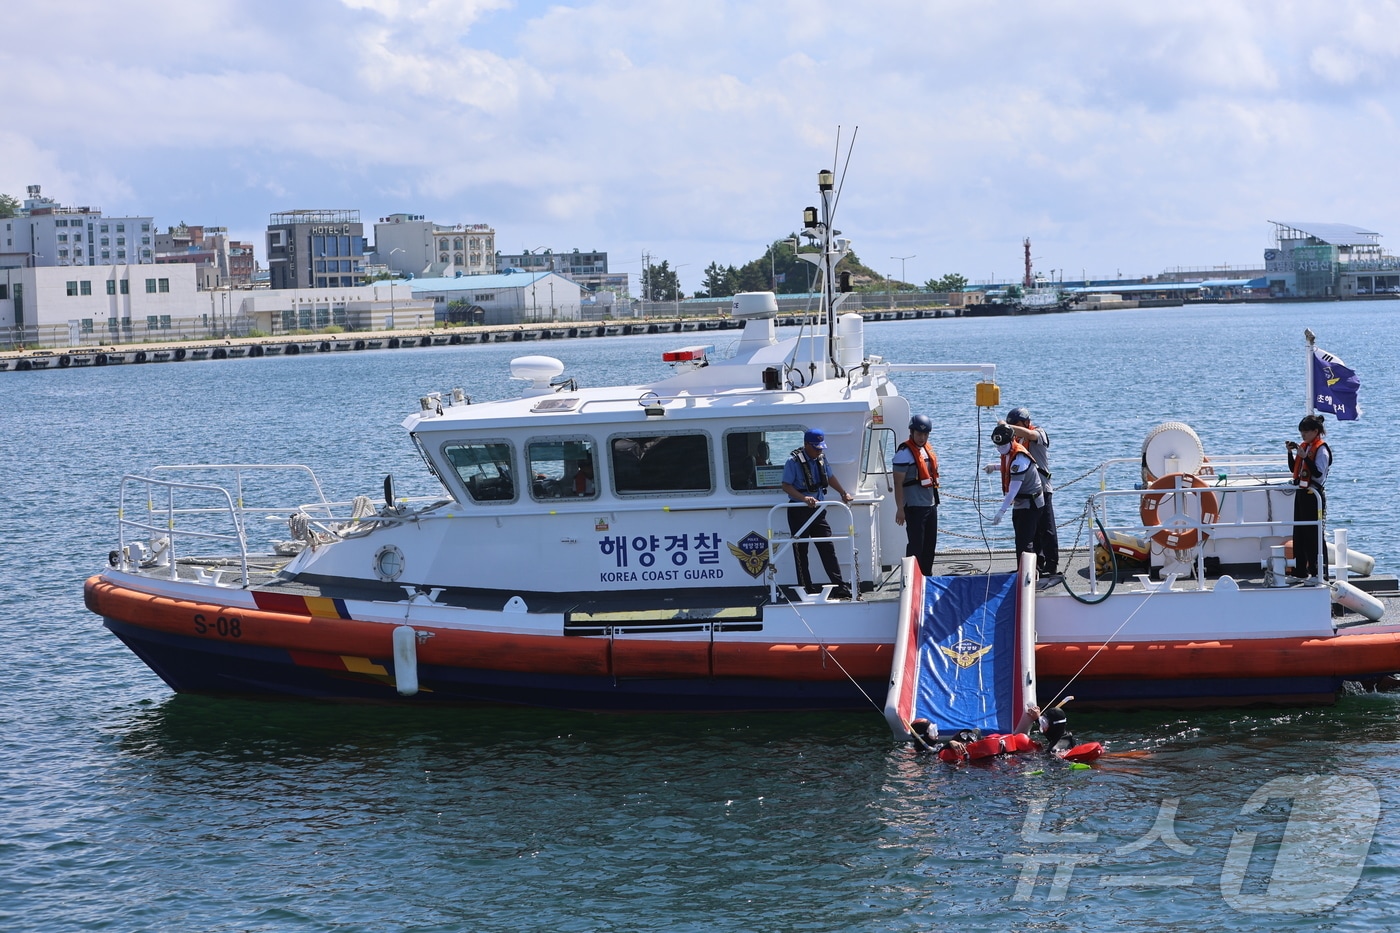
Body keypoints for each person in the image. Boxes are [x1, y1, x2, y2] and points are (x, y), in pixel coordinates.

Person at [781, 428, 854, 599]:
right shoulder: (792, 462)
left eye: (821, 448)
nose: (819, 451)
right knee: (801, 551)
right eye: (816, 448)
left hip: (818, 511)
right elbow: (786, 485)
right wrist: (804, 498)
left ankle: (839, 586)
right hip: (798, 511)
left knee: (827, 547)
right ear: (806, 445)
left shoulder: (821, 459)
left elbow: (829, 476)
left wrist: (843, 493)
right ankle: (806, 588)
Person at [989, 423, 1046, 568]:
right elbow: (1007, 465)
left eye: (1002, 445)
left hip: (1031, 504)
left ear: (1012, 440)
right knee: (1020, 539)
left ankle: (1029, 574)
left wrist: (1001, 511)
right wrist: (994, 467)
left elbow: (1013, 490)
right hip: (1022, 503)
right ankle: (1023, 571)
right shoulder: (1009, 452)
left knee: (1025, 541)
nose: (1000, 449)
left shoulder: (1020, 458)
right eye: (998, 446)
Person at [892, 414, 940, 576]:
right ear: (911, 432)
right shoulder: (904, 454)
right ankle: (911, 577)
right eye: (919, 434)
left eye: (925, 434)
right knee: (915, 546)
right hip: (914, 507)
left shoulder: (926, 450)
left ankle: (927, 575)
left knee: (929, 545)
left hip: (930, 505)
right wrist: (900, 508)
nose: (922, 438)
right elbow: (898, 483)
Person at [1287, 413, 1332, 583]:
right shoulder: (1305, 447)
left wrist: (1306, 457)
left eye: (1305, 432)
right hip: (1302, 493)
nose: (1303, 436)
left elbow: (1319, 473)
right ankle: (1300, 571)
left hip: (1314, 495)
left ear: (1315, 431)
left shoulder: (1322, 449)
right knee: (1299, 532)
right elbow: (1294, 468)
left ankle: (1319, 572)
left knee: (1314, 533)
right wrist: (1290, 453)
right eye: (1301, 433)